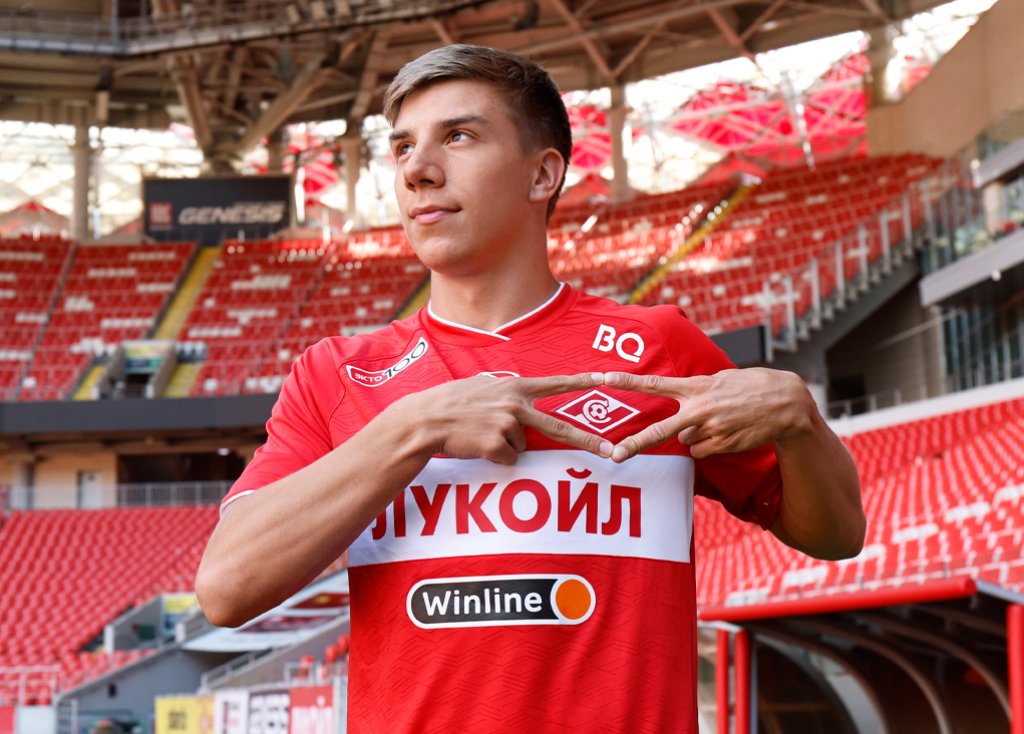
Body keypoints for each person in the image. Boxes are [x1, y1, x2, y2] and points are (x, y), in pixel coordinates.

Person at [196, 44, 865, 733]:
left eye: (459, 136)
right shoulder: (336, 373)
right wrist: (413, 428)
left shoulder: (659, 349)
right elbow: (225, 589)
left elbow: (837, 534)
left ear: (543, 174)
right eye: (402, 148)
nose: (418, 170)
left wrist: (802, 423)